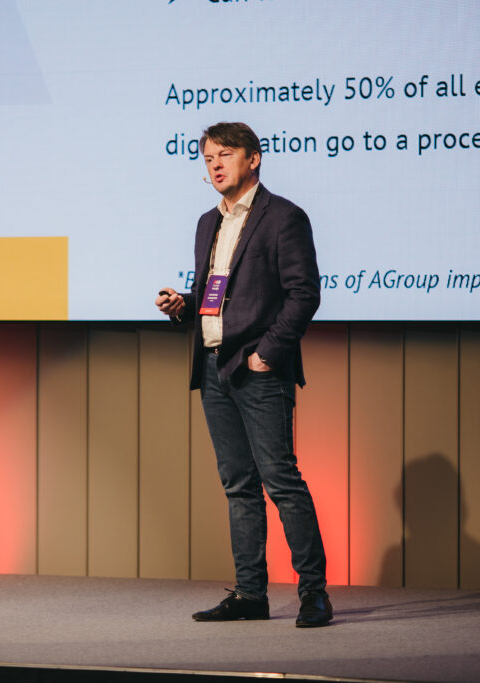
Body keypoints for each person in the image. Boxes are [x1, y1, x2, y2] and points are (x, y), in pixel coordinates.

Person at [155, 122, 331, 627]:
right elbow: (221, 294)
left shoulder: (284, 217)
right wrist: (185, 305)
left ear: (253, 159)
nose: (215, 165)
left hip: (258, 369)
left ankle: (314, 593)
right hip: (213, 365)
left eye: (225, 154)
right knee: (238, 485)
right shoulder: (208, 223)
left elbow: (304, 294)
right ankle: (251, 593)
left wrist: (266, 355)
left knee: (281, 480)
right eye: (208, 157)